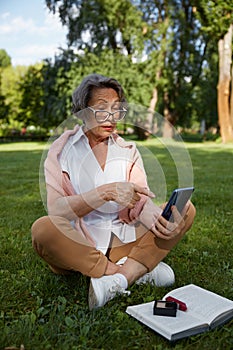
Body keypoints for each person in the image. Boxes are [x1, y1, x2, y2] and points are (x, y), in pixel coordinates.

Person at [31, 74, 196, 310]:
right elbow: (57, 210)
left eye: (117, 109)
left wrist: (157, 219)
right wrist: (104, 192)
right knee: (43, 230)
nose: (112, 118)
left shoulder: (127, 150)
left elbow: (142, 201)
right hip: (80, 245)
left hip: (123, 240)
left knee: (185, 210)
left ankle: (118, 279)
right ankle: (132, 270)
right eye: (101, 109)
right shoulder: (61, 153)